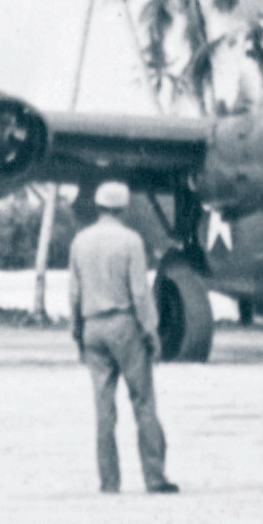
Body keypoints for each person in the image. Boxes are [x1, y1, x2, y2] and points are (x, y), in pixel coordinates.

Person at [67, 182, 175, 495]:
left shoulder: (80, 241)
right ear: (124, 207)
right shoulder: (130, 241)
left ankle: (109, 481)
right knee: (143, 402)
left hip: (92, 326)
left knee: (103, 409)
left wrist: (76, 331)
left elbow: (74, 291)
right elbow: (140, 292)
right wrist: (151, 330)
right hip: (124, 325)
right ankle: (154, 477)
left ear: (98, 205)